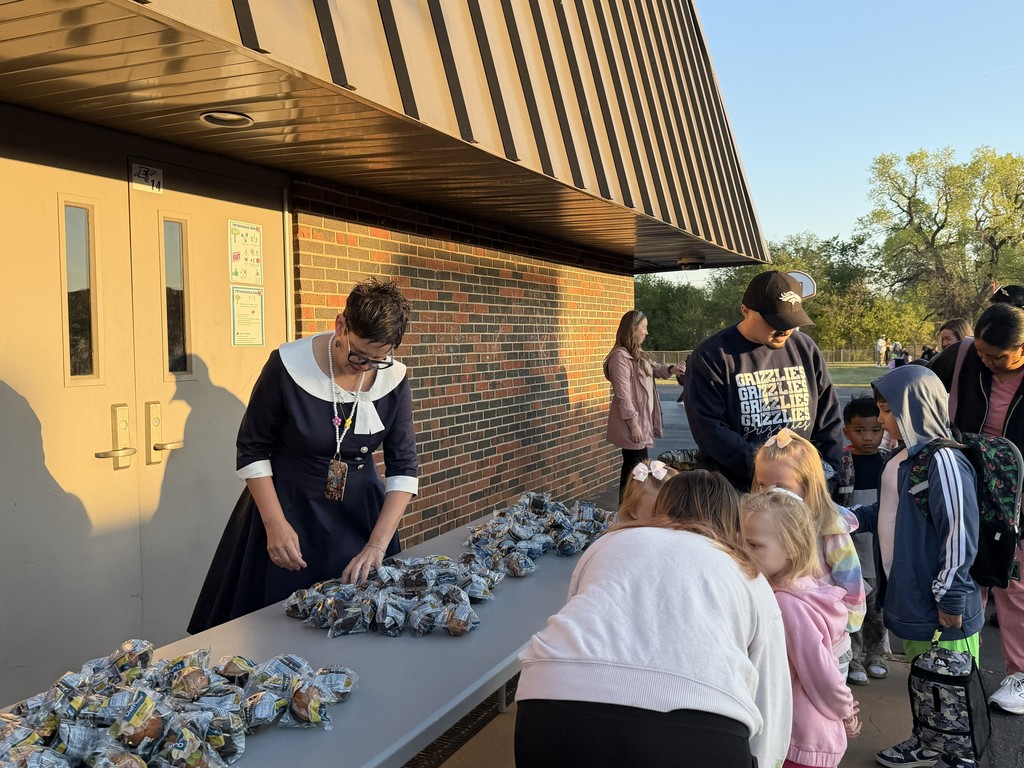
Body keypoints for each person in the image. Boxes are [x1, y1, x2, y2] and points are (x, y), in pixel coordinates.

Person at [514, 470, 792, 768]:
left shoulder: (609, 542)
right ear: (731, 521)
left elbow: (578, 613)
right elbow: (771, 695)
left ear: (662, 505)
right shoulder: (746, 573)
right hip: (702, 724)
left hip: (552, 703)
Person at [188, 277, 418, 633]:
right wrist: (274, 525)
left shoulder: (394, 379)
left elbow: (404, 467)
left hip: (361, 520)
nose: (365, 366)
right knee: (276, 630)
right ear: (341, 324)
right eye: (358, 354)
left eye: (378, 360)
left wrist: (377, 545)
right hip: (288, 512)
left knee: (360, 625)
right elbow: (251, 449)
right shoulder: (286, 364)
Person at [852, 365, 983, 768]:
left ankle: (961, 754)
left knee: (953, 684)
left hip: (942, 602)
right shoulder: (904, 458)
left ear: (914, 407)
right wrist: (847, 516)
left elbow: (959, 532)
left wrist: (952, 595)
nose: (881, 419)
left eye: (887, 411)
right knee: (926, 679)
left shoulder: (943, 460)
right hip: (913, 596)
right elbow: (890, 513)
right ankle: (928, 741)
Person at [929, 301, 1024, 716]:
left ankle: (1019, 674)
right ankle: (958, 660)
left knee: (1014, 581)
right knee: (965, 569)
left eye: (998, 357)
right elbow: (921, 381)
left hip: (1017, 492)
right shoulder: (965, 352)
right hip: (968, 478)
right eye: (983, 354)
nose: (987, 362)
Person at [683, 270, 843, 490]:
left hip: (803, 488)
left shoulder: (805, 348)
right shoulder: (712, 355)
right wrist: (773, 473)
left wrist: (828, 474)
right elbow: (710, 431)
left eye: (790, 321)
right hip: (737, 492)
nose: (784, 329)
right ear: (745, 311)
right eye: (774, 321)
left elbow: (829, 419)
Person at [741, 490, 860, 768]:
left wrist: (844, 712)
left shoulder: (786, 604)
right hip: (803, 736)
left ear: (792, 547)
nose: (743, 552)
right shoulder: (802, 587)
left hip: (798, 739)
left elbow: (820, 671)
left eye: (754, 545)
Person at [751, 429, 866, 673]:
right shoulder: (758, 523)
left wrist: (846, 623)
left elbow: (850, 576)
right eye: (762, 485)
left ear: (807, 485)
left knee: (824, 695)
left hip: (824, 630)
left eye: (781, 486)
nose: (770, 493)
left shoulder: (828, 525)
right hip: (782, 627)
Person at [833, 397, 891, 686]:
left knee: (877, 603)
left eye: (876, 430)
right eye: (860, 430)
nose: (868, 437)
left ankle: (876, 653)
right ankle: (853, 656)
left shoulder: (889, 462)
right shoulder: (840, 463)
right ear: (846, 431)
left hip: (878, 548)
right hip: (850, 548)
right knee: (851, 601)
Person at [604, 310, 680, 501]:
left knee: (635, 470)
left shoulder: (638, 354)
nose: (646, 332)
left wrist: (672, 369)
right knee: (635, 471)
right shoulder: (620, 358)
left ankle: (627, 511)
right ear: (632, 329)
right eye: (644, 328)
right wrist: (633, 424)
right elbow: (623, 396)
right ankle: (626, 512)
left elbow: (655, 369)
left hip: (642, 421)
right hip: (633, 424)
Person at [614, 459, 678, 525]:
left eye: (673, 511)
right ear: (633, 511)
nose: (668, 520)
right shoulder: (626, 534)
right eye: (656, 514)